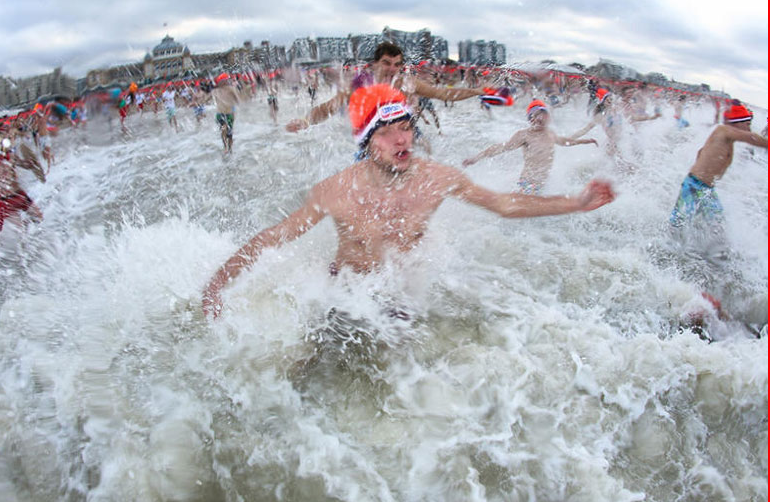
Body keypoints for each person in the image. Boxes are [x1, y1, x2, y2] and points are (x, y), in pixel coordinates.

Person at [203, 84, 616, 318]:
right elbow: (273, 237)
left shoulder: (438, 179)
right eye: (387, 132)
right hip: (343, 295)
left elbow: (505, 204)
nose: (402, 139)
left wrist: (575, 202)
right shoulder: (335, 191)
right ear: (367, 143)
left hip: (398, 296)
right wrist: (218, 285)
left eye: (407, 128)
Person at [284, 42, 487, 133]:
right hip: (373, 138)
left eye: (397, 64)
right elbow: (329, 107)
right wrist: (305, 121)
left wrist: (477, 91)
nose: (393, 69)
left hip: (403, 135)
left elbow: (444, 94)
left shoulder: (407, 82)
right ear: (375, 64)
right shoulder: (361, 84)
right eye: (387, 63)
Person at [463, 99, 598, 195]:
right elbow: (500, 148)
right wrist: (476, 158)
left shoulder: (550, 133)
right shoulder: (524, 135)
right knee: (527, 217)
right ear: (530, 119)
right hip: (529, 183)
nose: (540, 120)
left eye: (543, 116)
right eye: (535, 117)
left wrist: (585, 141)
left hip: (544, 182)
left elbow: (566, 142)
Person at [669, 102, 767, 230]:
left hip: (706, 189)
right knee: (678, 226)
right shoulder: (724, 130)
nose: (749, 129)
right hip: (695, 186)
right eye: (747, 124)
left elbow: (701, 152)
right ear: (737, 122)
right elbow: (751, 137)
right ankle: (660, 248)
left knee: (716, 227)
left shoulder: (725, 139)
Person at [0, 146, 43, 243]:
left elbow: (23, 165)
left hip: (19, 196)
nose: (5, 167)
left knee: (38, 220)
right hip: (7, 203)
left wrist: (31, 163)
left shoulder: (7, 160)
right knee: (19, 235)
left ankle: (28, 229)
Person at [212, 72, 240, 154]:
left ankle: (230, 149)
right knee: (223, 129)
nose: (227, 81)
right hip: (220, 114)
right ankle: (225, 147)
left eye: (227, 80)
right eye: (226, 80)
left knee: (230, 134)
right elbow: (208, 99)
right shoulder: (216, 91)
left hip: (229, 113)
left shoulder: (231, 89)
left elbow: (238, 100)